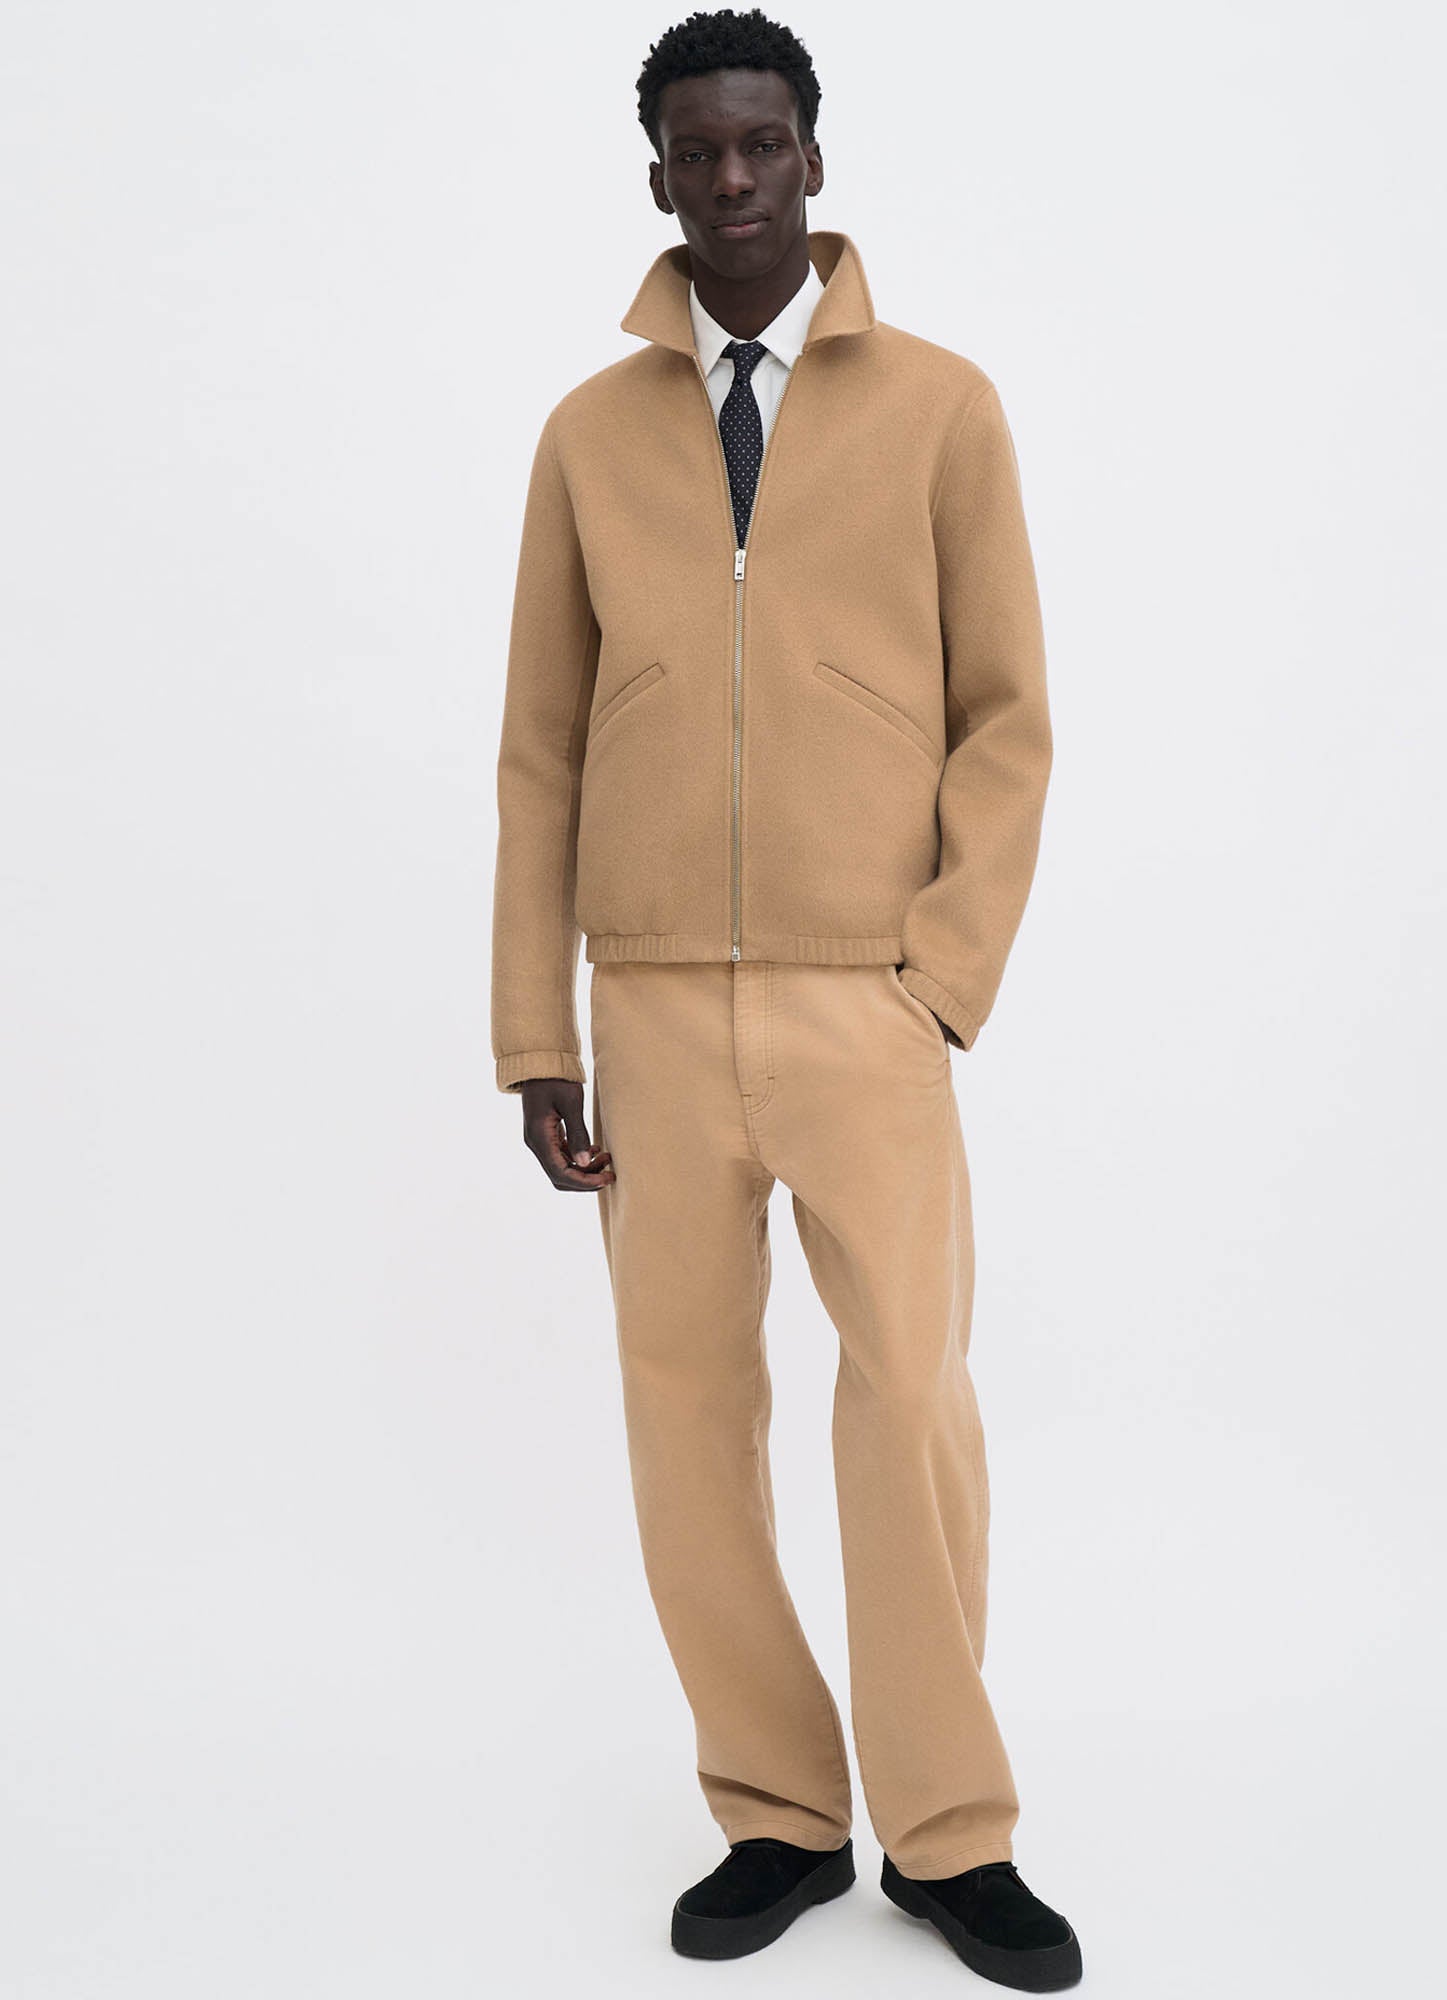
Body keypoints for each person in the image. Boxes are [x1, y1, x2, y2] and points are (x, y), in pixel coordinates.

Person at [490, 8, 1080, 1989]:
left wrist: (940, 981)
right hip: (651, 1009)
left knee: (906, 1402)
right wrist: (537, 1034)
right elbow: (538, 754)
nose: (729, 180)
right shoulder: (588, 436)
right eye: (695, 152)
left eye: (759, 144)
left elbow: (1007, 719)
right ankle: (776, 1811)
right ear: (657, 176)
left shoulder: (941, 409)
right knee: (683, 1414)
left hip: (865, 1005)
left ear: (812, 159)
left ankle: (948, 1833)